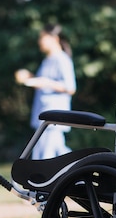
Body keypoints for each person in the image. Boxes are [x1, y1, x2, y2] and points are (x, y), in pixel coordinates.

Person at [15, 24, 76, 159]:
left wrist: (45, 82)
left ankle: (80, 172)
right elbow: (44, 82)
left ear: (54, 38)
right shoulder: (47, 60)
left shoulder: (62, 59)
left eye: (42, 37)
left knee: (46, 159)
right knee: (57, 155)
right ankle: (78, 174)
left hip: (54, 118)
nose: (39, 41)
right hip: (44, 117)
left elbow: (70, 87)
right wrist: (30, 77)